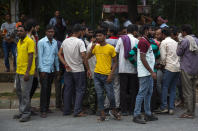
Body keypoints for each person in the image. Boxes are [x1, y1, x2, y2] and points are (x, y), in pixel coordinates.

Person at [86, 29, 121, 121]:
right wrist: (91, 49)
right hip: (97, 74)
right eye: (96, 36)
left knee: (111, 95)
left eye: (100, 35)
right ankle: (102, 114)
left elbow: (115, 62)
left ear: (105, 36)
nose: (98, 37)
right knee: (100, 94)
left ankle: (113, 110)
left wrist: (111, 74)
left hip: (107, 75)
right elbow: (87, 58)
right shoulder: (96, 47)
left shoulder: (110, 48)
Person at [58, 24, 90, 117]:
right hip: (79, 70)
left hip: (68, 70)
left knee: (68, 90)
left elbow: (59, 54)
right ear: (79, 31)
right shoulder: (80, 42)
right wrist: (87, 69)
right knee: (80, 90)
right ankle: (77, 111)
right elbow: (83, 56)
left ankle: (67, 110)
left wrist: (65, 63)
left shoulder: (65, 41)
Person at [133, 25, 158, 124]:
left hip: (148, 72)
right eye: (152, 30)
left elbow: (147, 57)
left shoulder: (146, 41)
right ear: (146, 31)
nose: (153, 32)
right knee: (142, 93)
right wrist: (151, 72)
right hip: (145, 73)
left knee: (148, 93)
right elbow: (143, 58)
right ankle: (136, 115)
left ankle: (148, 113)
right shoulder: (143, 41)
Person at [13, 25, 36, 122]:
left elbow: (31, 57)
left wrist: (27, 72)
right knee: (19, 92)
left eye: (21, 31)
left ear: (26, 32)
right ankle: (22, 111)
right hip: (19, 71)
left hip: (26, 73)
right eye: (18, 31)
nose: (19, 32)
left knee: (25, 94)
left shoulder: (29, 41)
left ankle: (26, 114)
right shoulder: (19, 42)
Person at [115, 25, 139, 116]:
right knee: (133, 90)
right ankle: (132, 109)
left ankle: (124, 110)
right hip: (133, 68)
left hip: (122, 68)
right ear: (134, 31)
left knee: (123, 90)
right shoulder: (137, 40)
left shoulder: (121, 39)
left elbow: (116, 51)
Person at [37, 25, 60, 118]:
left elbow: (56, 57)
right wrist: (42, 70)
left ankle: (46, 107)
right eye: (49, 31)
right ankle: (42, 110)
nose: (51, 33)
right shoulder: (41, 42)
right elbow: (40, 57)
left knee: (49, 89)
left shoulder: (55, 42)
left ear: (54, 33)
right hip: (44, 70)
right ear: (46, 32)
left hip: (51, 69)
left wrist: (57, 69)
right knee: (44, 90)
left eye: (52, 32)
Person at [177, 24, 198, 119]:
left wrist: (179, 42)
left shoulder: (185, 40)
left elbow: (178, 53)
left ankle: (189, 112)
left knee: (187, 91)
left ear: (184, 32)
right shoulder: (197, 40)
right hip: (195, 68)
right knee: (193, 90)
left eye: (182, 32)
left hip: (186, 68)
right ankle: (192, 111)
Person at [158, 28, 180, 115]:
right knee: (173, 88)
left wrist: (162, 65)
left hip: (169, 67)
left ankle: (164, 107)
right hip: (177, 67)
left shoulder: (164, 42)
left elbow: (163, 57)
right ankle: (171, 108)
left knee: (165, 87)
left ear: (163, 35)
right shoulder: (175, 42)